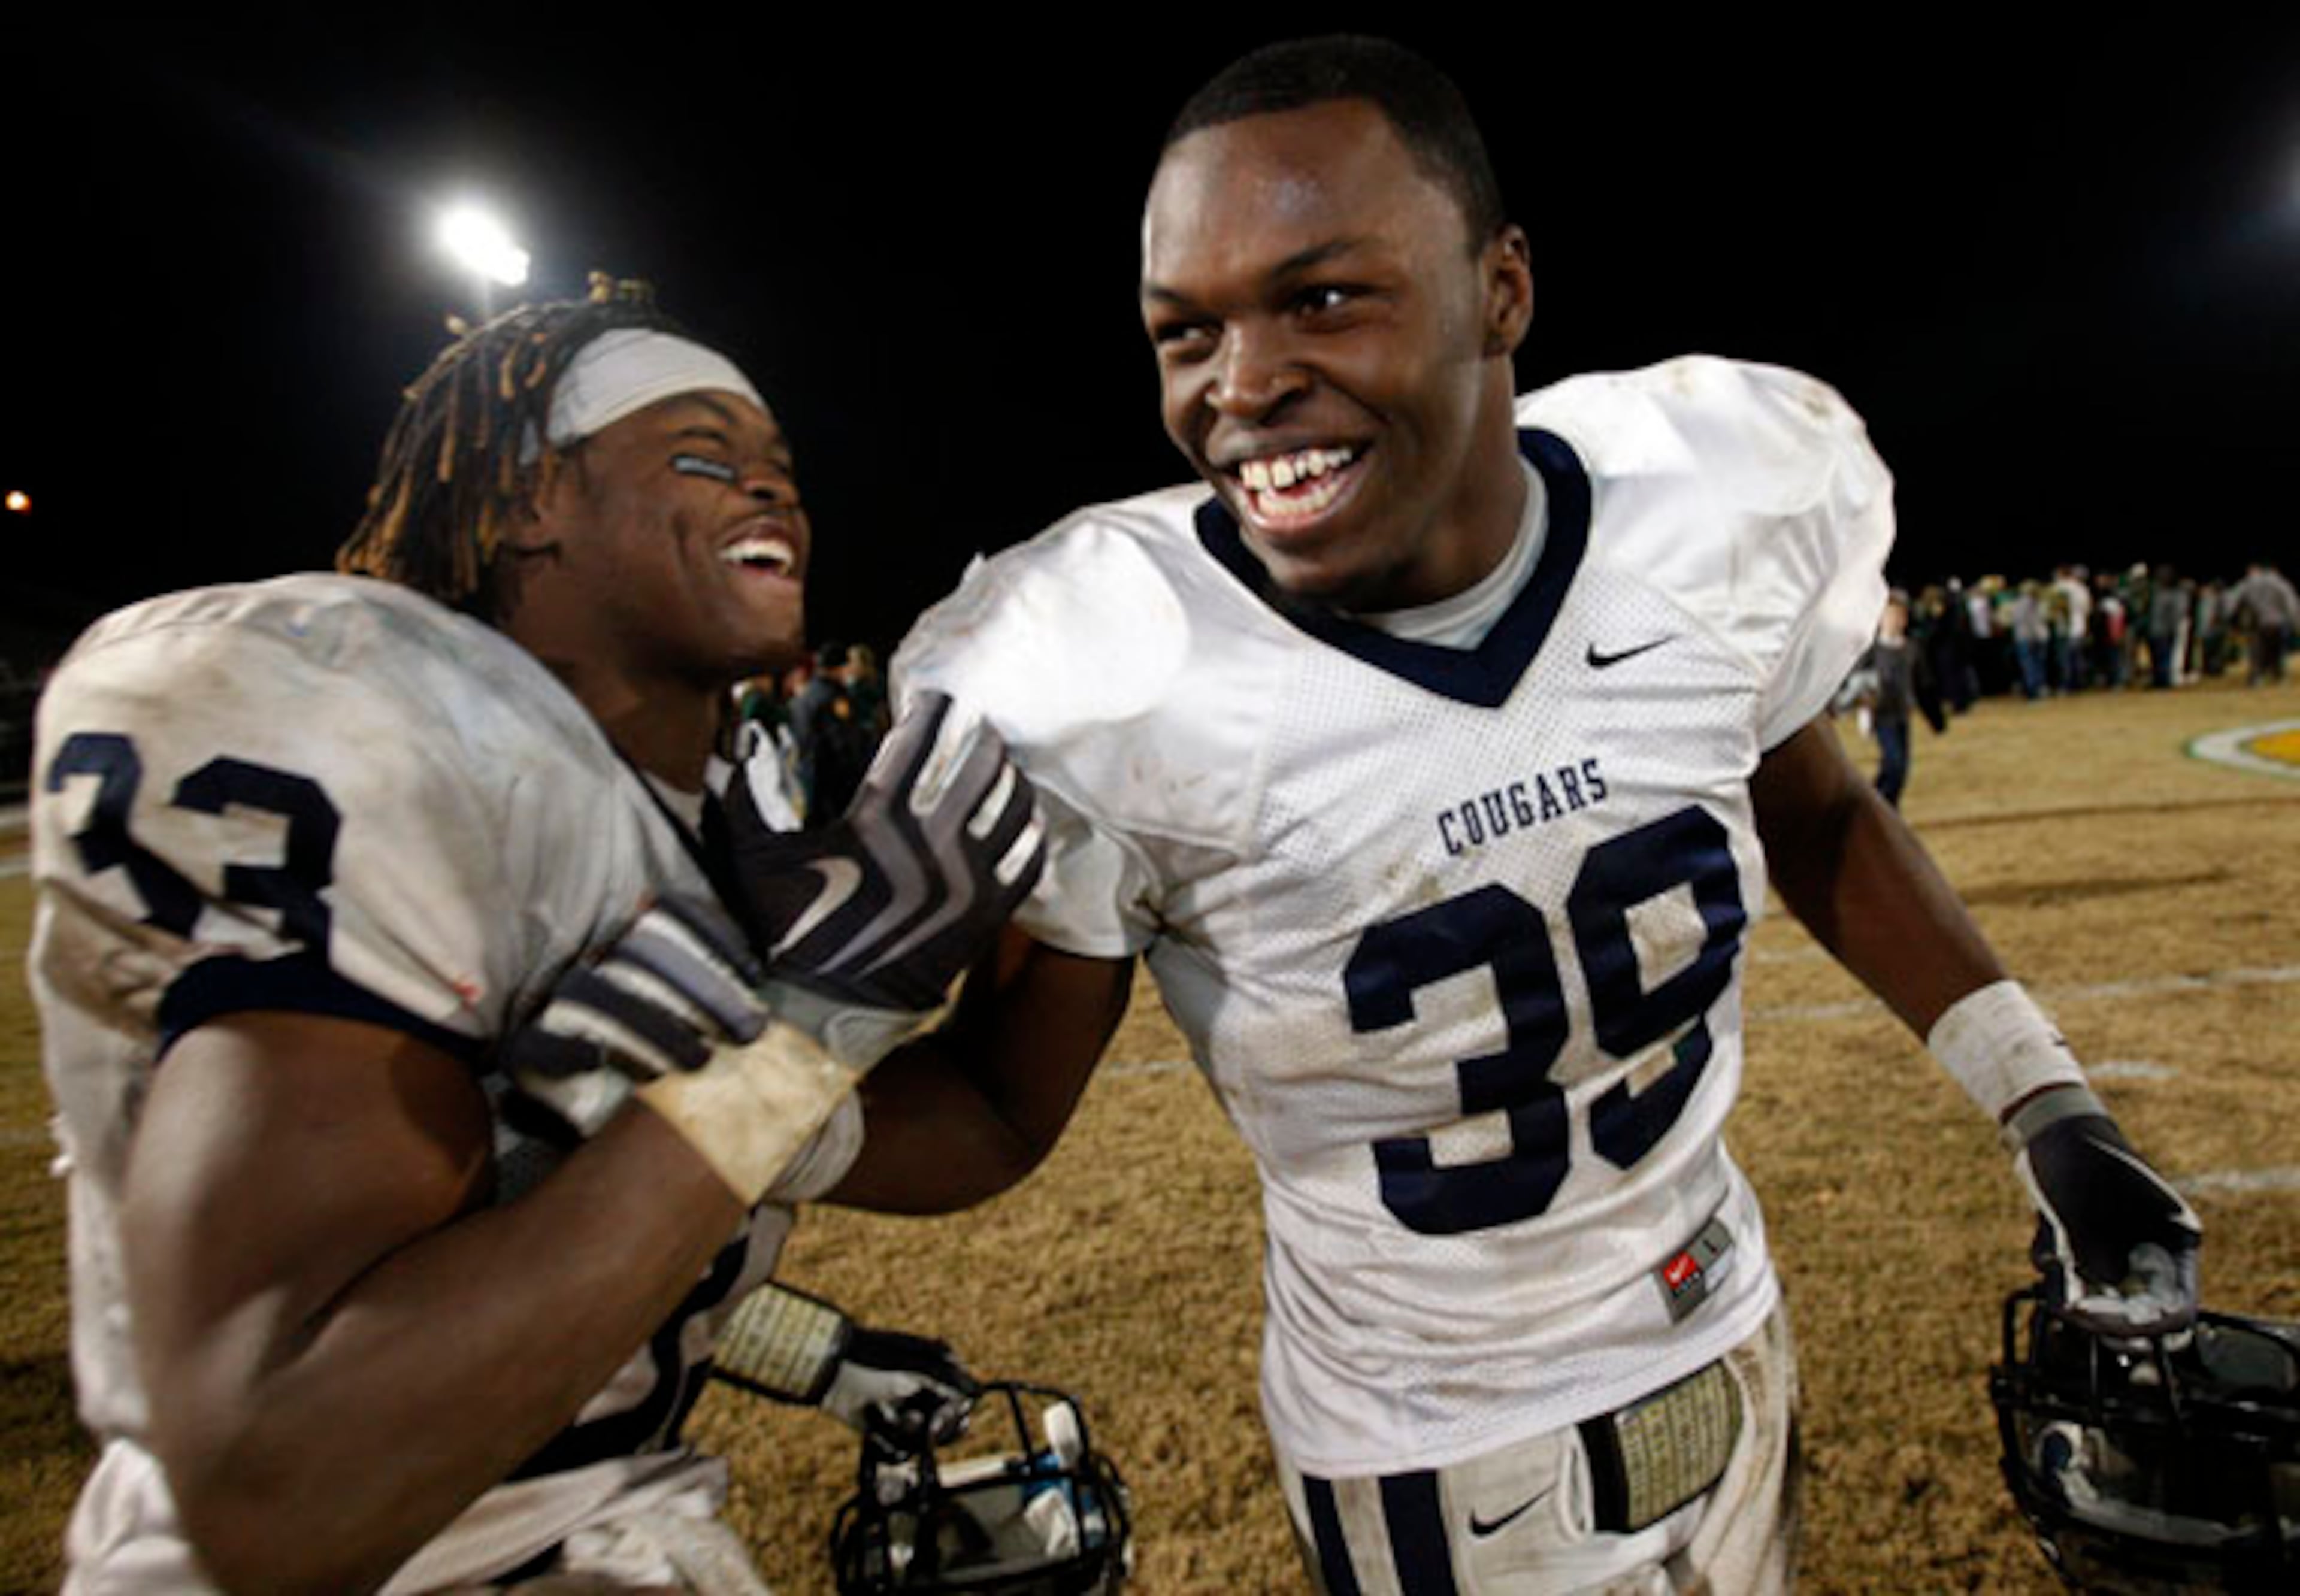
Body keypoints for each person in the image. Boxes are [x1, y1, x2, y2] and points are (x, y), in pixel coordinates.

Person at [885, 38, 2201, 1594]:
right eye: (1187, 331)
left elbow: (1821, 820)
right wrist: (716, 1126)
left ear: (1501, 289)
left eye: (1321, 297)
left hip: (1729, 1321)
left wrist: (2048, 1106)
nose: (1240, 386)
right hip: (1447, 1451)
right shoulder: (1112, 662)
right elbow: (1001, 1101)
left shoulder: (1699, 506)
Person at [29, 279, 1042, 1594]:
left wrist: (824, 1352)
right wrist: (805, 1027)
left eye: (781, 471)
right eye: (702, 458)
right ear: (523, 503)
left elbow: (974, 1125)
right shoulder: (400, 737)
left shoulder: (675, 840)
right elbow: (279, 1491)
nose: (769, 494)